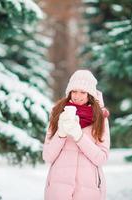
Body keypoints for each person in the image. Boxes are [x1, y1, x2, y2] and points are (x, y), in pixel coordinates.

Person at [42, 69, 110, 200]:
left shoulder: (101, 118)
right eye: (74, 91)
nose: (77, 96)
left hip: (88, 189)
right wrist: (61, 134)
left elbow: (102, 158)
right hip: (58, 189)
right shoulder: (57, 114)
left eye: (83, 92)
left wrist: (79, 136)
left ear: (90, 94)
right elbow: (47, 156)